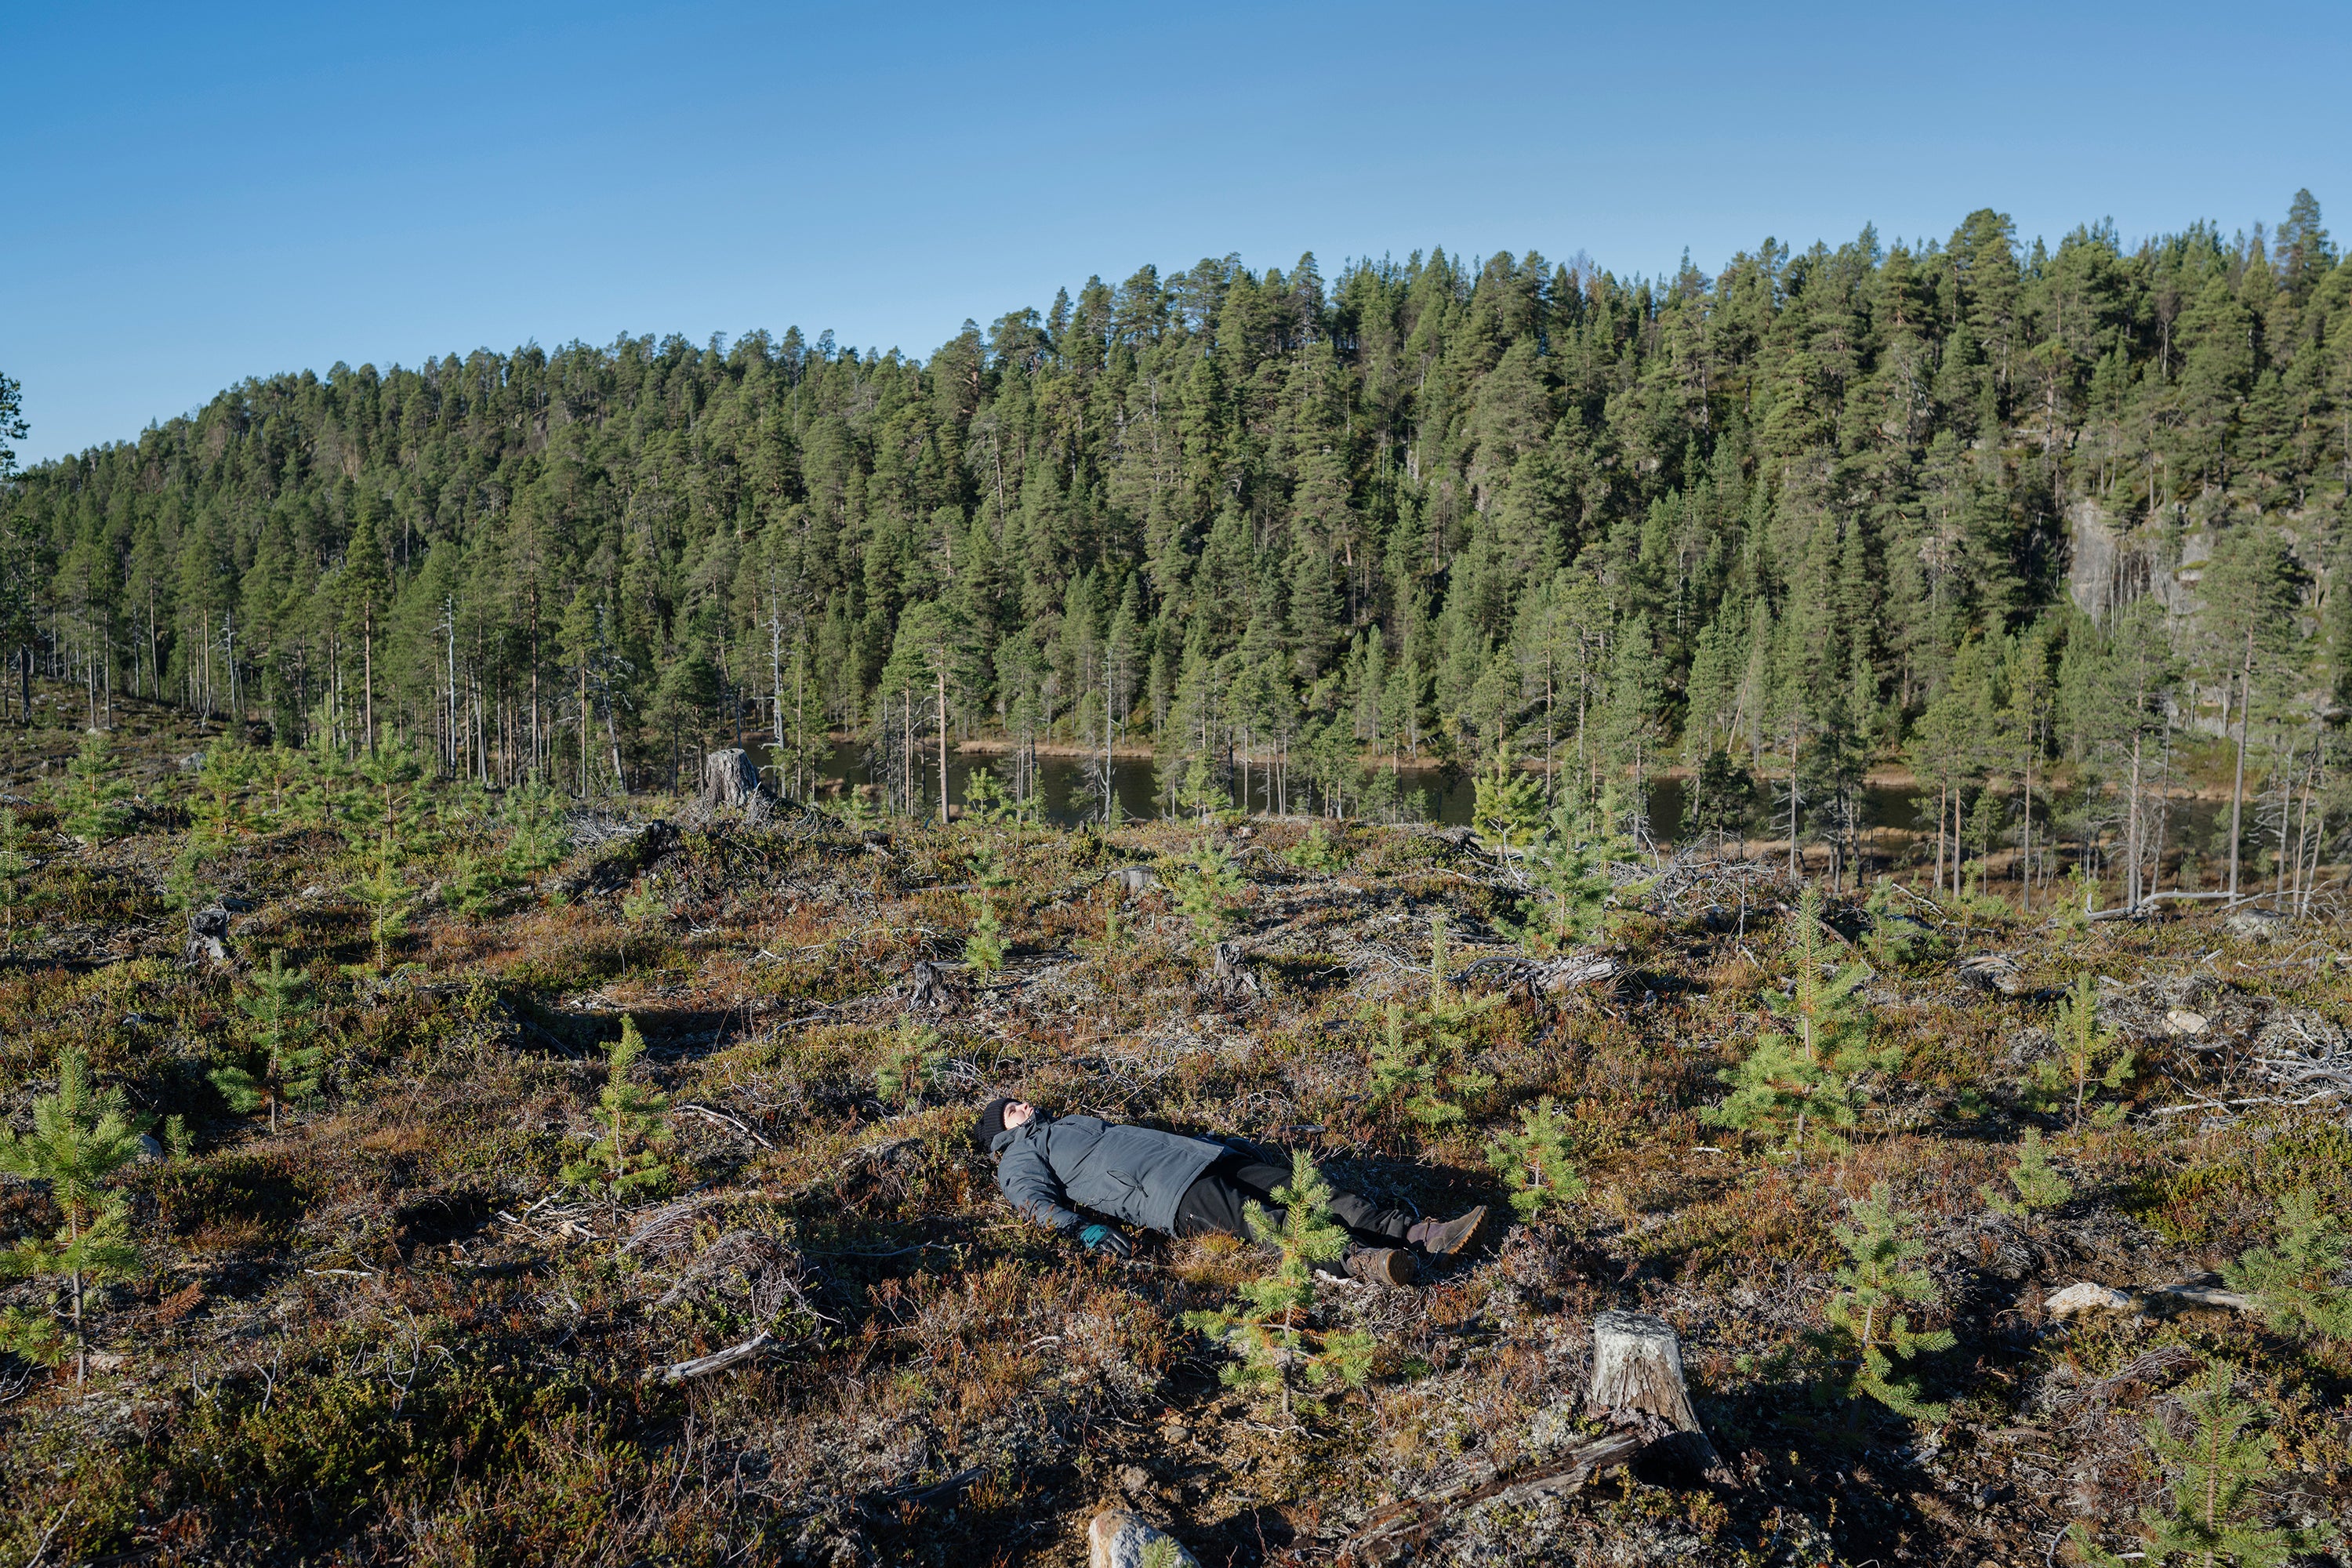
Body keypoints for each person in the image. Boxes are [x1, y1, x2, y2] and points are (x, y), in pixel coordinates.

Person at [972, 1097, 1486, 1286]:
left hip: (1203, 1159)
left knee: (1307, 1193)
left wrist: (1215, 1143)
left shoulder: (1069, 1122)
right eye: (1011, 1107)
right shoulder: (1017, 1158)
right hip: (1167, 1194)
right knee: (1269, 1224)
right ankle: (1363, 1263)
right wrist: (1081, 1229)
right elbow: (1034, 1205)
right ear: (1001, 1128)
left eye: (1019, 1100)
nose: (1023, 1103)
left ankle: (1422, 1234)